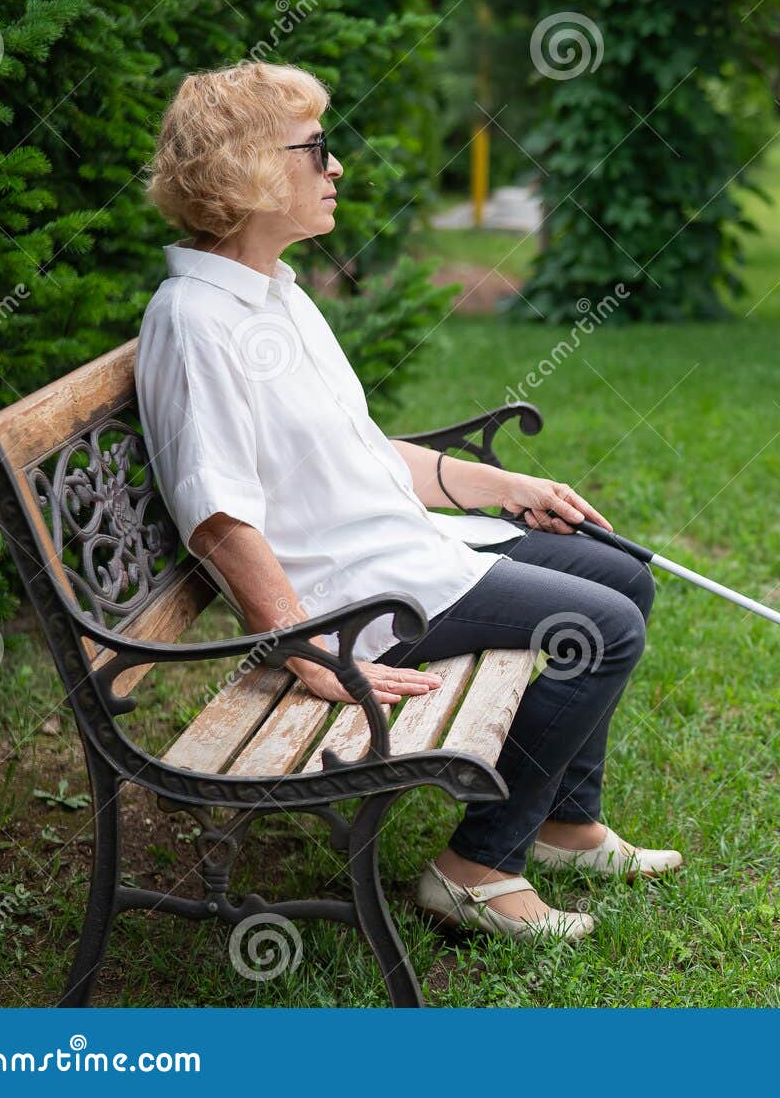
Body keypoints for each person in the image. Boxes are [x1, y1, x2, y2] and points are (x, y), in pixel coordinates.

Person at [136, 61, 680, 944]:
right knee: (607, 626)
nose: (336, 165)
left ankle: (567, 824)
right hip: (363, 599)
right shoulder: (196, 321)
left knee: (622, 573)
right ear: (245, 169)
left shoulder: (278, 297)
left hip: (409, 551)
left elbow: (364, 451)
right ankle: (477, 867)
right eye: (314, 148)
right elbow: (218, 515)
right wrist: (305, 645)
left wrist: (510, 489)